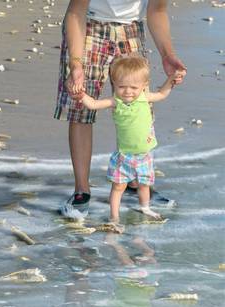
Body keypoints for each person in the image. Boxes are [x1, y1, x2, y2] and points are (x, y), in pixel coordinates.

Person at [54, 0, 187, 216]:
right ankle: (81, 190)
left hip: (131, 28)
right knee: (81, 107)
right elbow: (75, 12)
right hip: (88, 26)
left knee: (139, 105)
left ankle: (136, 183)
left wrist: (167, 55)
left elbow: (157, 10)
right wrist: (75, 64)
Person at [78, 55, 179, 230]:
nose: (128, 91)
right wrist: (80, 95)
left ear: (144, 85)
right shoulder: (115, 102)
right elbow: (93, 104)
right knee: (118, 187)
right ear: (114, 84)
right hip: (124, 156)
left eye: (134, 87)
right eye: (121, 87)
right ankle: (114, 216)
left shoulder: (145, 98)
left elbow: (162, 93)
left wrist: (171, 78)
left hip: (145, 154)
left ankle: (145, 207)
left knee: (144, 184)